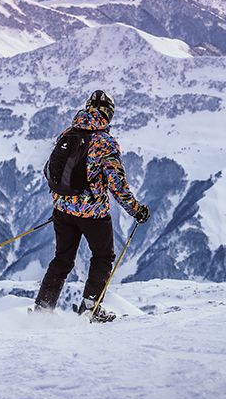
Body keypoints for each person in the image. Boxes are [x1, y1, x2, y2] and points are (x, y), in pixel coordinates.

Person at [34, 90, 150, 321]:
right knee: (102, 257)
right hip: (93, 213)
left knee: (62, 259)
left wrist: (63, 202)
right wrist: (136, 210)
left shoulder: (68, 133)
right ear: (109, 114)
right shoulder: (105, 142)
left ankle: (41, 311)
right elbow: (117, 185)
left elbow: (53, 171)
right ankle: (90, 310)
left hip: (62, 209)